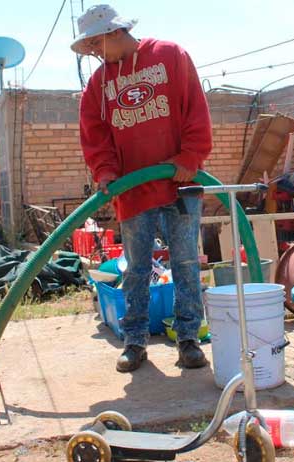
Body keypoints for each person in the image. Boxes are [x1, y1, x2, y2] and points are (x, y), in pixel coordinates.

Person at [72, 5, 212, 372]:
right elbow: (95, 134)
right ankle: (134, 343)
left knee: (184, 263)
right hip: (132, 190)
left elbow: (195, 106)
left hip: (179, 182)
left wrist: (191, 155)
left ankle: (188, 340)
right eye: (89, 47)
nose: (95, 52)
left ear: (116, 31)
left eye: (97, 42)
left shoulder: (169, 56)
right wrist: (105, 172)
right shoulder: (98, 85)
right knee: (136, 268)